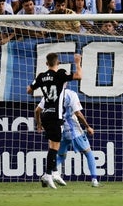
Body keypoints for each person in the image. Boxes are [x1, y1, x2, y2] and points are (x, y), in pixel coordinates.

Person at [28, 53, 82, 189]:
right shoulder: (60, 75)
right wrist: (77, 63)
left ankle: (55, 173)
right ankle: (47, 174)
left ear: (47, 63)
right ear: (58, 63)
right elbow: (78, 76)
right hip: (56, 116)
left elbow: (29, 90)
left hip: (45, 114)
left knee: (52, 145)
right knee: (54, 148)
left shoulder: (41, 76)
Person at [54, 88, 99, 187]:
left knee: (61, 156)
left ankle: (49, 173)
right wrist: (87, 127)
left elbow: (40, 110)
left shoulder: (51, 94)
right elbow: (78, 113)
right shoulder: (71, 94)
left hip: (60, 130)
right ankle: (94, 180)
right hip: (74, 130)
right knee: (88, 153)